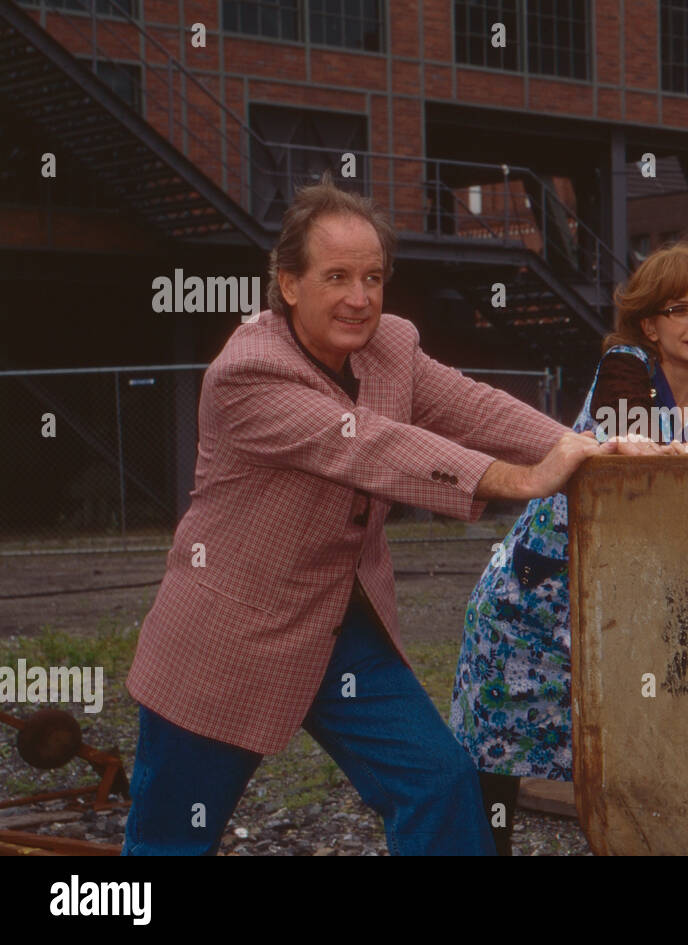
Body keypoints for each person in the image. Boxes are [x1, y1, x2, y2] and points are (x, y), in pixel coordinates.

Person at [122, 174, 641, 856]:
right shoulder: (247, 373)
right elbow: (369, 445)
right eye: (336, 276)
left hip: (341, 625)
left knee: (438, 780)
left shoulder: (388, 346)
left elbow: (471, 405)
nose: (359, 298)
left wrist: (587, 451)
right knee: (170, 840)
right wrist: (524, 478)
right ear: (288, 283)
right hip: (229, 636)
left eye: (373, 276)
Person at [450, 243, 688, 855]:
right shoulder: (626, 368)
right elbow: (625, 440)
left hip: (633, 620)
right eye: (679, 309)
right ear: (651, 325)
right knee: (496, 762)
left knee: (636, 756)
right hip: (534, 605)